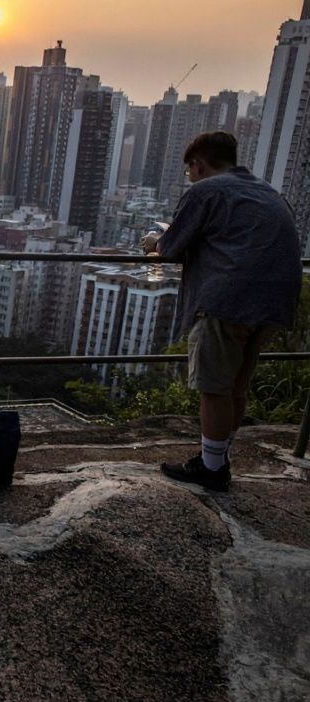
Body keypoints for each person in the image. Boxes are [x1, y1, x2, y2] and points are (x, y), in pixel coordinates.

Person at [142, 130, 302, 492]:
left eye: (189, 171)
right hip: (275, 302)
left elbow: (169, 249)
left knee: (214, 386)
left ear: (197, 164)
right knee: (237, 384)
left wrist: (153, 241)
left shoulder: (205, 191)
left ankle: (212, 469)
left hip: (228, 299)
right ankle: (218, 457)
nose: (190, 177)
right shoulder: (267, 191)